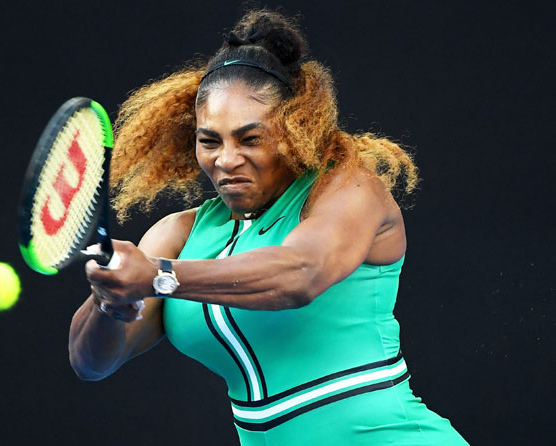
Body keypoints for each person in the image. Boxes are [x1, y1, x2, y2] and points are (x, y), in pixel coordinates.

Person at [68, 9, 468, 445]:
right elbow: (91, 363)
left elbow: (300, 273)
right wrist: (108, 299)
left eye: (250, 139)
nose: (225, 159)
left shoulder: (350, 188)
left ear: (297, 128)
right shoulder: (179, 234)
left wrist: (160, 277)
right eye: (210, 140)